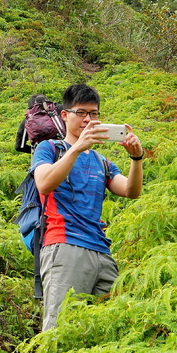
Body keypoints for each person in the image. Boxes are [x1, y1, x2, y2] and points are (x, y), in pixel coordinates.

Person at [32, 83, 144, 331]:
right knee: (59, 330)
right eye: (80, 113)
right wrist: (76, 149)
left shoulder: (102, 161)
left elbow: (131, 191)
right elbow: (44, 184)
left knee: (107, 329)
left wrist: (136, 158)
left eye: (93, 114)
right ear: (65, 115)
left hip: (101, 252)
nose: (88, 120)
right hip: (64, 245)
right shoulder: (49, 148)